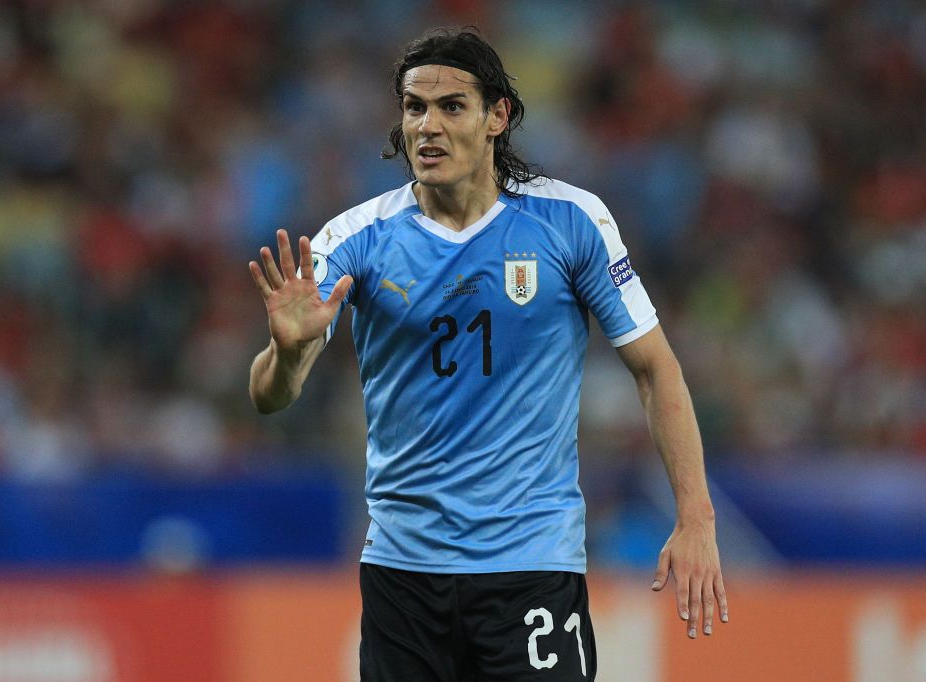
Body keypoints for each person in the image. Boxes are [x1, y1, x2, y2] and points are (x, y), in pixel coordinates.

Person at [248, 26, 727, 681]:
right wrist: (287, 349)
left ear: (497, 115)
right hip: (404, 572)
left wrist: (695, 517)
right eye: (415, 107)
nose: (428, 126)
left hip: (532, 565)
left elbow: (655, 368)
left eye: (451, 107)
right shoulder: (354, 239)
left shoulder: (570, 222)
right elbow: (271, 395)